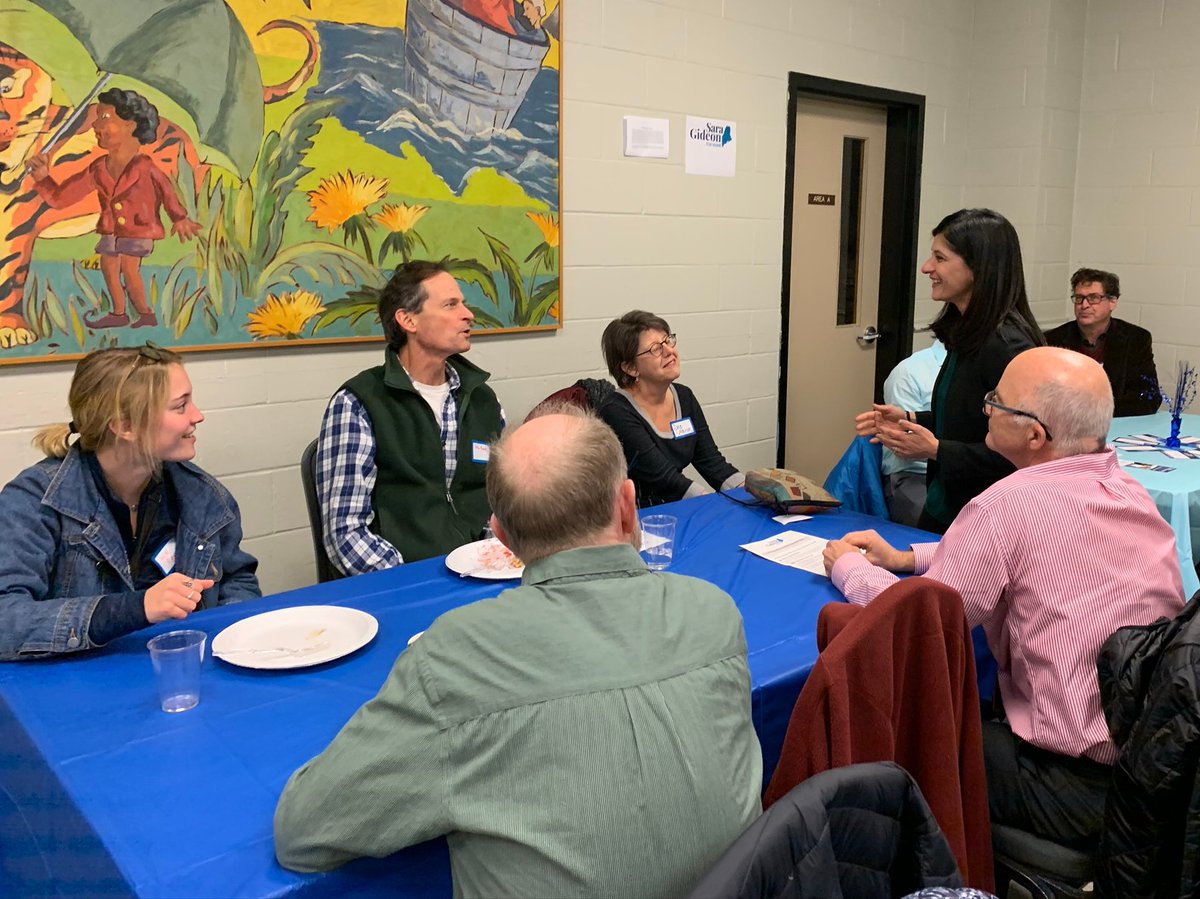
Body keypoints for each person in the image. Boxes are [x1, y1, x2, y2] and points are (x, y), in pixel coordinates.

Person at [275, 406, 763, 897]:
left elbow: (305, 832)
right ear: (628, 504)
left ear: (502, 536)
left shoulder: (453, 660)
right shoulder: (715, 613)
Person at [823, 347, 1184, 849]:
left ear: (1034, 435)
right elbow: (1024, 555)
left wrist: (848, 567)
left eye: (997, 401)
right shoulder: (1128, 491)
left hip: (1072, 780)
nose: (986, 408)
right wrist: (908, 557)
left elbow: (914, 621)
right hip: (1156, 766)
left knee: (890, 747)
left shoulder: (1004, 506)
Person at [0, 344, 260, 661]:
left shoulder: (204, 495)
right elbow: (5, 618)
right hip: (75, 680)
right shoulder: (34, 501)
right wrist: (136, 608)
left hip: (178, 672)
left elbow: (237, 580)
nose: (198, 416)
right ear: (125, 426)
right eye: (180, 406)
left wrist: (227, 641)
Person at [856, 209, 1044, 534]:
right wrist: (910, 419)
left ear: (977, 267)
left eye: (940, 258)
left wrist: (935, 449)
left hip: (985, 520)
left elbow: (1023, 451)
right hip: (949, 504)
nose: (926, 267)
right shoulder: (968, 332)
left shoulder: (1006, 346)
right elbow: (969, 420)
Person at [316, 260, 504, 575]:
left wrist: (491, 559)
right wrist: (411, 581)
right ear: (408, 320)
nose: (468, 314)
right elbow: (345, 534)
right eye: (450, 305)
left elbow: (502, 505)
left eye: (463, 303)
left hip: (482, 572)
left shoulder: (484, 400)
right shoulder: (358, 403)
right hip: (403, 579)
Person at [28, 88, 201, 329]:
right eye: (97, 117)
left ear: (131, 126)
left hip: (138, 230)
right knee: (109, 269)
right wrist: (42, 178)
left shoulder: (146, 167)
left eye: (105, 117)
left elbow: (167, 193)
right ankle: (119, 313)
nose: (95, 125)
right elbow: (62, 199)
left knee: (129, 270)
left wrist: (179, 217)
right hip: (110, 230)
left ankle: (145, 313)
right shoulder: (98, 168)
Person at [597, 310, 743, 507]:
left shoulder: (684, 396)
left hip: (676, 507)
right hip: (634, 514)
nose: (669, 351)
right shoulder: (616, 411)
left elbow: (711, 461)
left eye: (668, 340)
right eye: (655, 349)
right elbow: (664, 478)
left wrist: (751, 490)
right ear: (631, 368)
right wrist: (711, 504)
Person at [1045, 267, 1159, 416]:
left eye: (1093, 298)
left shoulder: (1136, 339)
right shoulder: (1053, 340)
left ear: (1112, 302)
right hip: (1066, 422)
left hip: (1116, 421)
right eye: (1079, 298)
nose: (1084, 305)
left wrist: (1096, 411)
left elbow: (1149, 396)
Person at [882, 338, 947, 527]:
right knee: (946, 532)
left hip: (957, 469)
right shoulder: (910, 372)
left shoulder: (981, 368)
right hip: (915, 473)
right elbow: (906, 445)